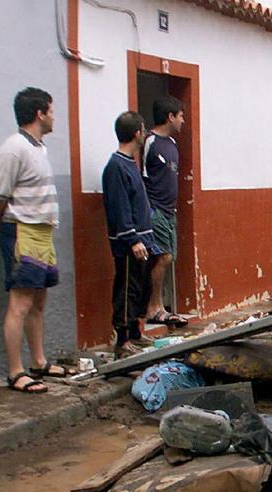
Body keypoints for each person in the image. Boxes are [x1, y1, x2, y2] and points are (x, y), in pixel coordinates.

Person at [0, 87, 63, 393]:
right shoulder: (13, 148)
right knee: (20, 302)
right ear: (39, 114)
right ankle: (16, 372)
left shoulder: (38, 148)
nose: (54, 117)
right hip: (22, 230)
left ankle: (39, 362)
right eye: (52, 111)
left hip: (43, 232)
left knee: (39, 301)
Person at [102, 111, 157, 358]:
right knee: (126, 289)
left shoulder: (131, 164)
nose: (144, 135)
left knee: (139, 287)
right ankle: (122, 339)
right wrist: (132, 238)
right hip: (129, 243)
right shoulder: (116, 167)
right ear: (137, 133)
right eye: (143, 130)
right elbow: (120, 207)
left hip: (143, 239)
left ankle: (135, 331)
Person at [142, 95, 188, 328]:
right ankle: (153, 307)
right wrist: (148, 210)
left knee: (169, 257)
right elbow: (141, 176)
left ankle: (159, 305)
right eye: (181, 116)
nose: (183, 121)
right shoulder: (149, 142)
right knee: (163, 256)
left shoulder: (172, 145)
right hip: (155, 209)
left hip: (171, 210)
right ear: (170, 117)